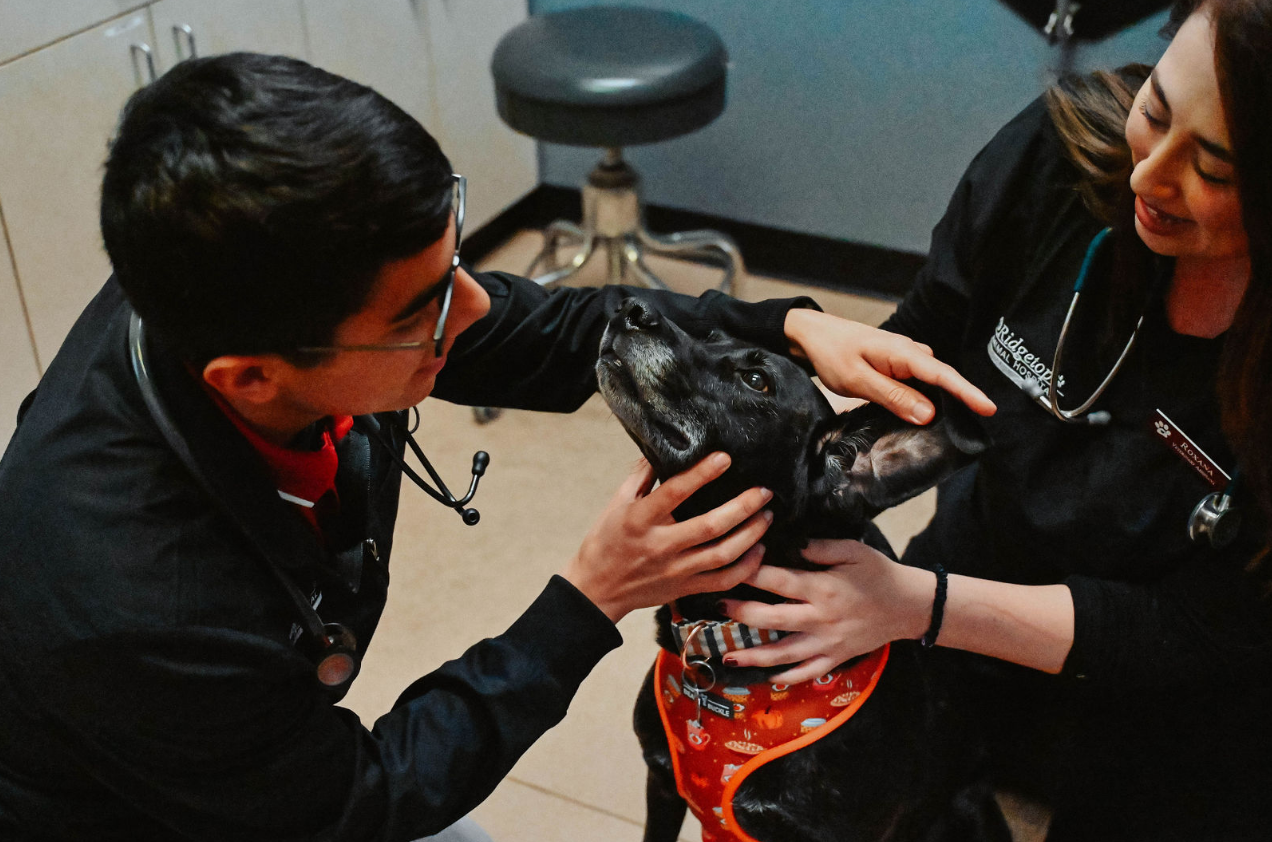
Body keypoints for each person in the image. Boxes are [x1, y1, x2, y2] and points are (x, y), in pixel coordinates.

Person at [0, 53, 992, 841]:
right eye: (425, 311)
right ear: (252, 378)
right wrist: (590, 598)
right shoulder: (132, 601)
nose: (476, 309)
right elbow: (355, 803)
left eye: (455, 264)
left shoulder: (232, 276)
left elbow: (544, 331)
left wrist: (784, 326)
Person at [722, 1, 1272, 838]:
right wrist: (782, 482)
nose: (1148, 178)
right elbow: (927, 352)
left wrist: (923, 605)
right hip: (980, 566)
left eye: (1215, 170)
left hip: (1176, 689)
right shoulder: (1061, 159)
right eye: (1156, 111)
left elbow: (1203, 629)